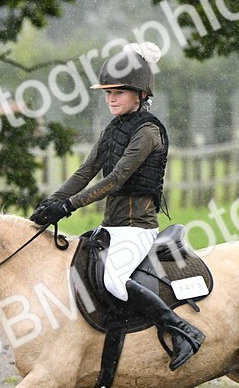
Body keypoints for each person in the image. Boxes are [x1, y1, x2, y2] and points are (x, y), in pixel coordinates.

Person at [29, 42, 204, 370]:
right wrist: (50, 203)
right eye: (108, 92)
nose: (111, 98)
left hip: (137, 230)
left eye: (119, 92)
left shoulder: (149, 132)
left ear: (140, 94)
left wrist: (67, 207)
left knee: (113, 281)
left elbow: (117, 179)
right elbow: (86, 171)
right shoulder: (114, 128)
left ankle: (183, 330)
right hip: (111, 229)